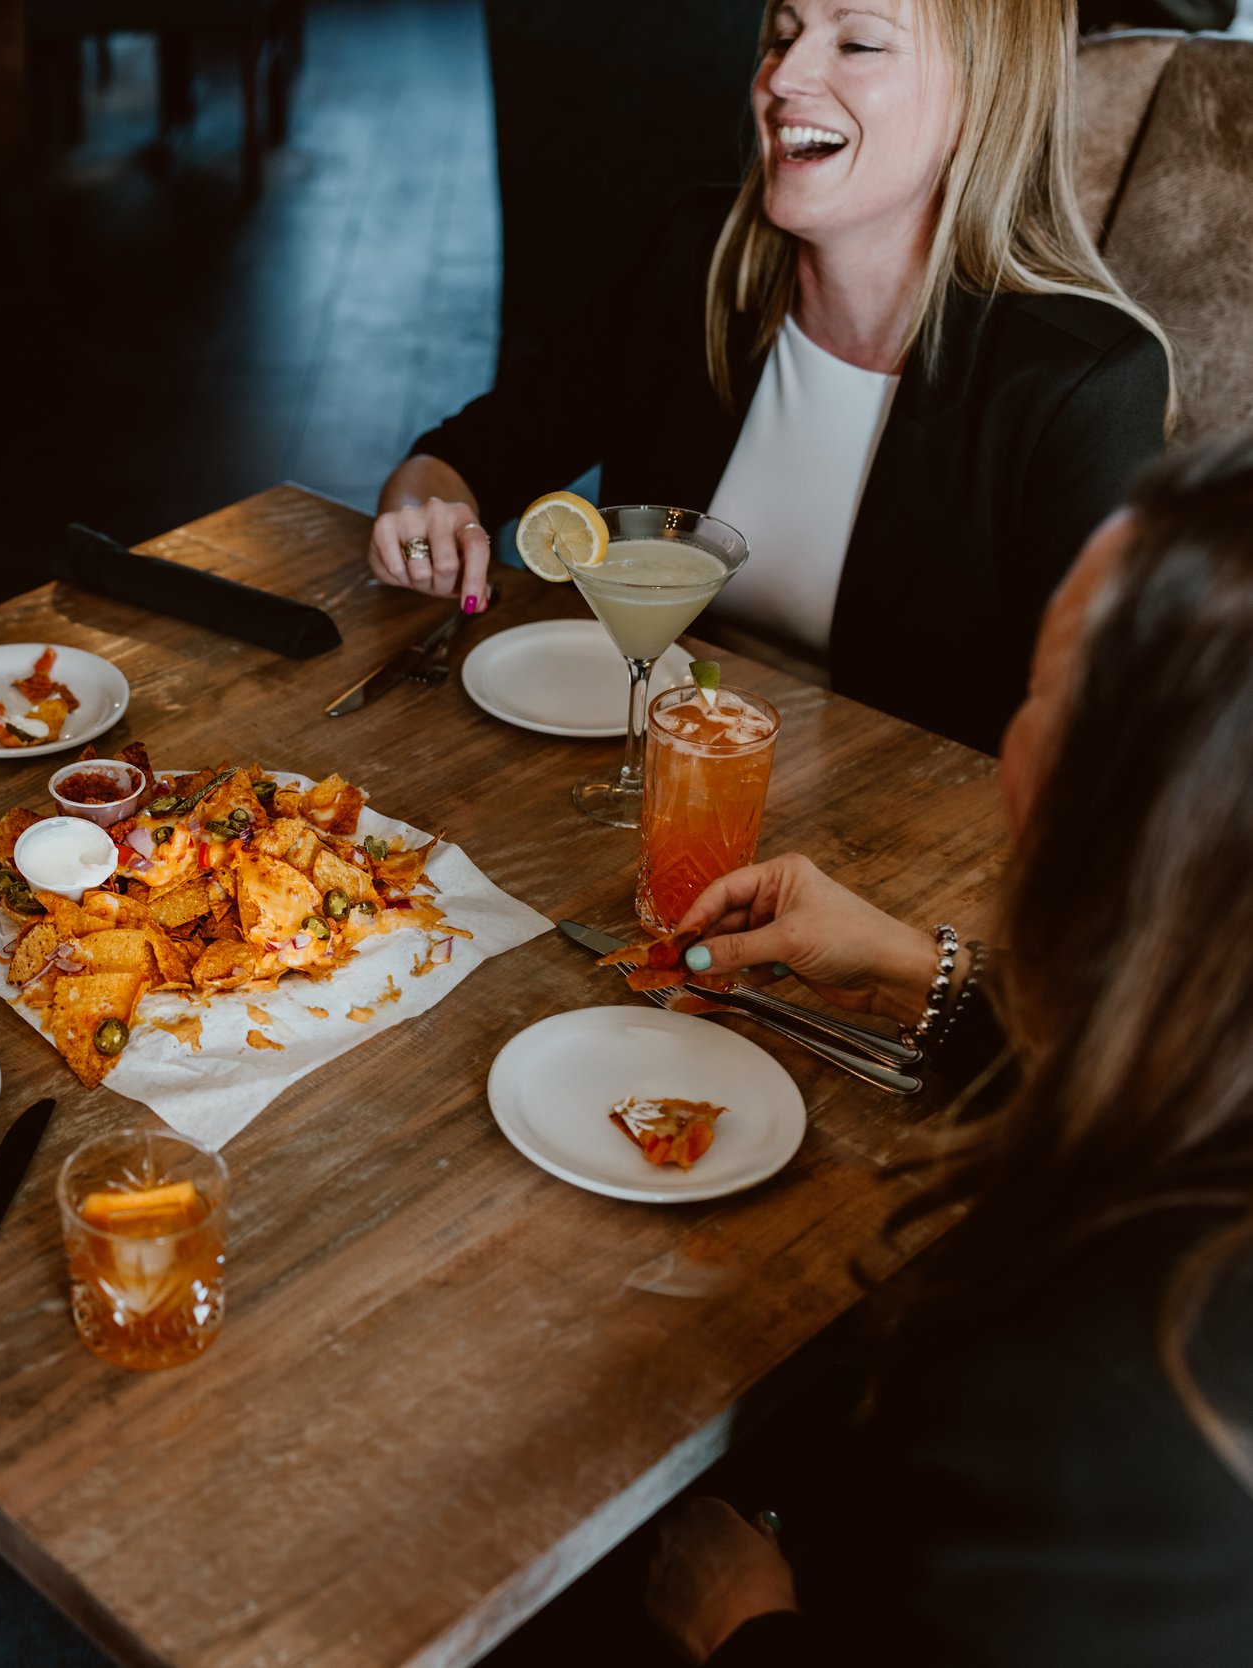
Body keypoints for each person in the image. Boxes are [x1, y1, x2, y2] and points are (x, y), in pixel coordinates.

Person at [639, 435, 1253, 1664]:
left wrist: (739, 1619)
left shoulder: (1094, 1386)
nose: (1012, 744)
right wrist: (923, 967)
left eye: (1038, 698)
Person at [370, 0, 1171, 754]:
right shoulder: (697, 255)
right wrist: (423, 523)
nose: (782, 79)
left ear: (984, 97)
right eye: (782, 36)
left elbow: (1096, 762)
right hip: (639, 793)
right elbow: (461, 459)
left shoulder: (1087, 385)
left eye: (856, 43)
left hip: (898, 866)